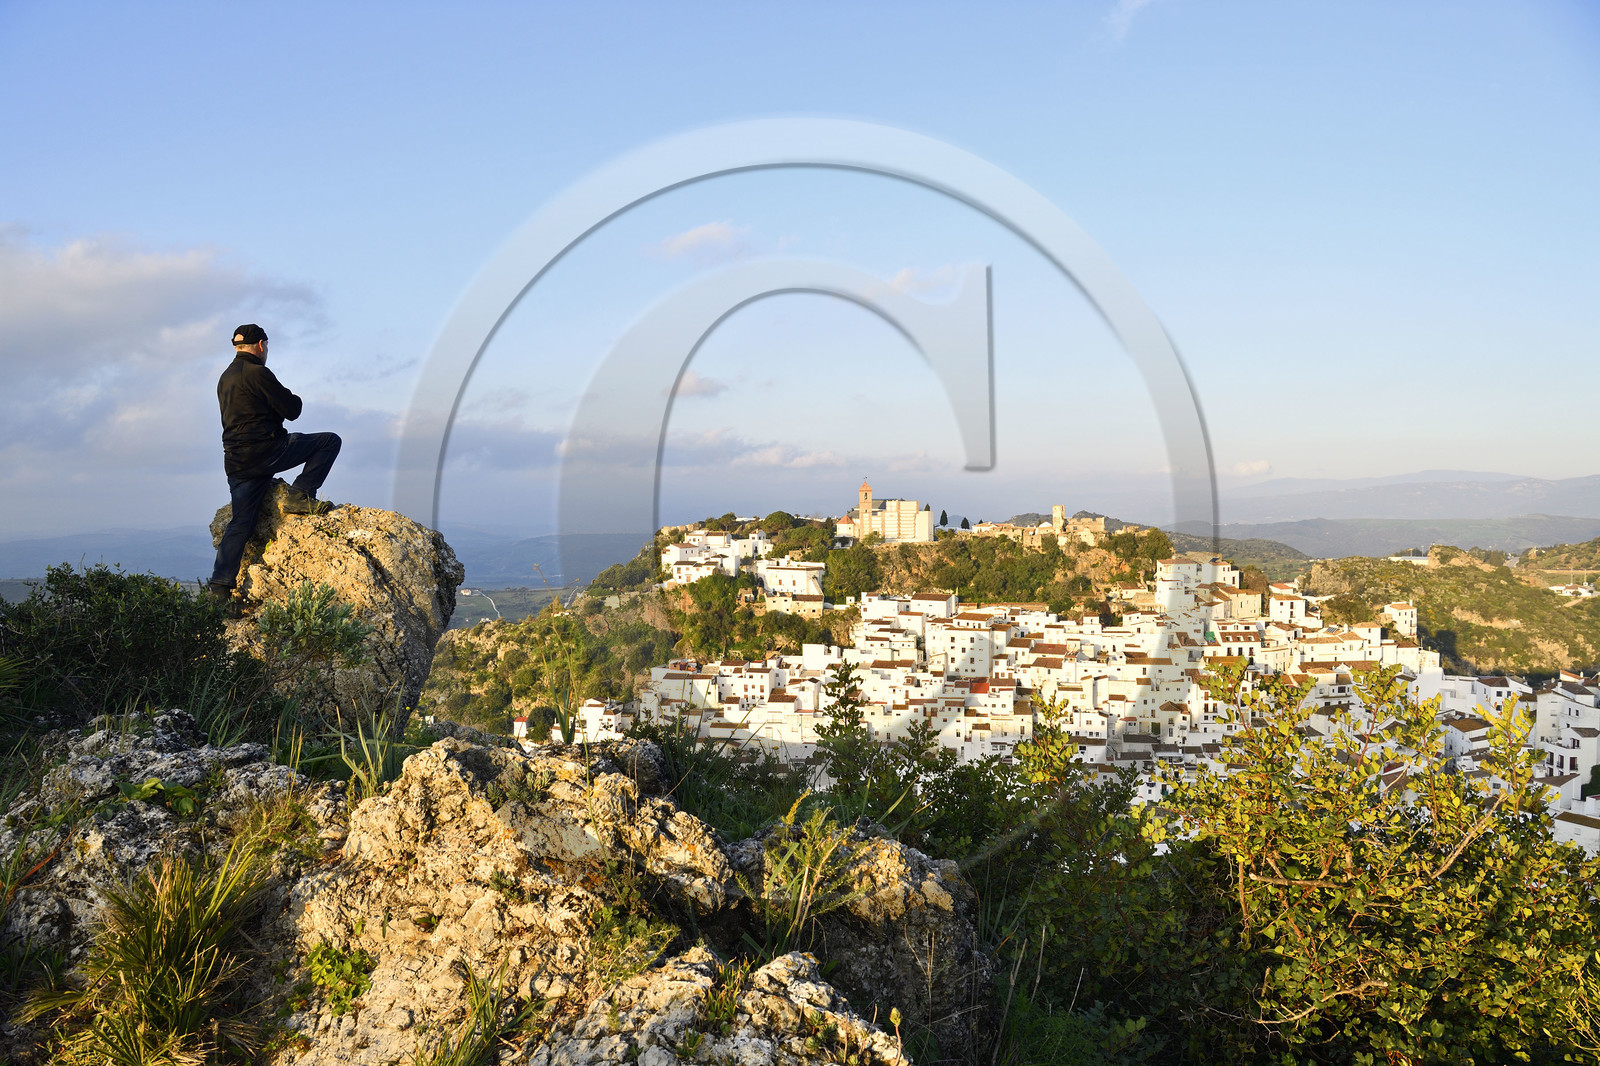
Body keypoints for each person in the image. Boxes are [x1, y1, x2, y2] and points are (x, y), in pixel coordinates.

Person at [206, 324, 341, 603]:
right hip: (267, 452)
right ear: (260, 345)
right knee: (329, 441)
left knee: (241, 523)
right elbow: (292, 410)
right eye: (266, 346)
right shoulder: (258, 373)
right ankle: (299, 495)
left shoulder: (224, 378)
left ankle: (219, 588)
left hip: (236, 461)